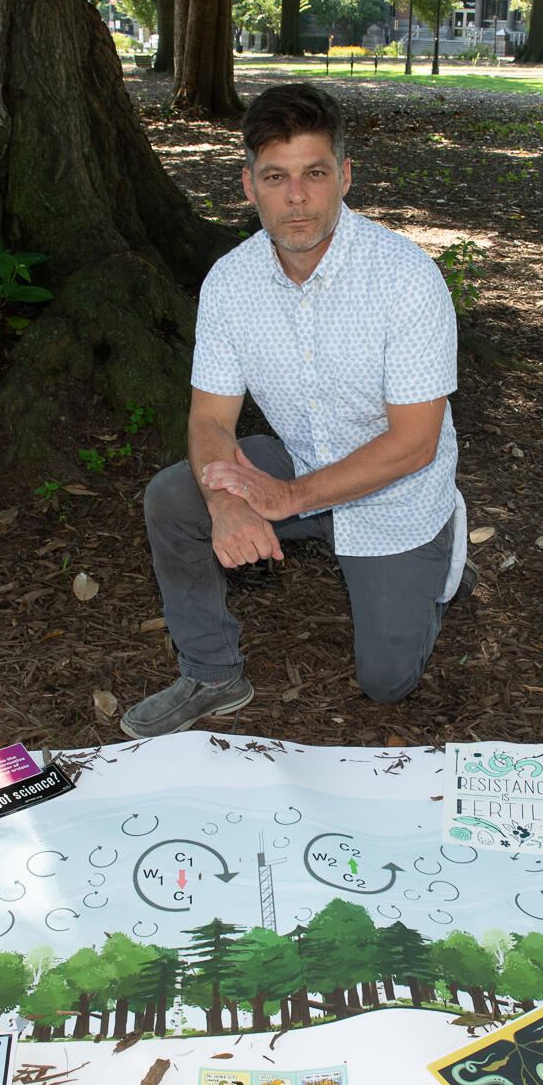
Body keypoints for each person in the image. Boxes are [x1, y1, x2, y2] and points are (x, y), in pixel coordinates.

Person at [121, 82, 471, 740]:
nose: (297, 197)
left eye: (314, 174)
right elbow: (209, 422)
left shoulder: (405, 278)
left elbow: (415, 445)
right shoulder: (230, 282)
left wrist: (287, 497)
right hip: (303, 462)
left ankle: (445, 558)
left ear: (343, 177)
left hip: (399, 494)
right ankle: (211, 672)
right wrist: (226, 500)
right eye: (276, 177)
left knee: (386, 684)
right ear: (250, 186)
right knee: (175, 498)